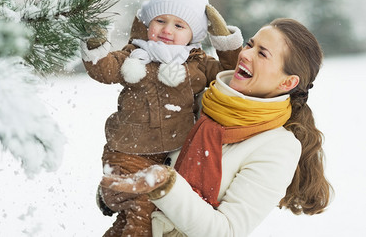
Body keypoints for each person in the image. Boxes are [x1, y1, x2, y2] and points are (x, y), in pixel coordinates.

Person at [100, 18, 333, 237]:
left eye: (262, 53)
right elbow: (152, 151)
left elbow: (226, 230)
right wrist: (123, 188)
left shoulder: (278, 147)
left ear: (287, 82)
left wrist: (164, 185)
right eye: (250, 44)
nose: (246, 54)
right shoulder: (201, 100)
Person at [80, 0, 243, 236]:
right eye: (160, 20)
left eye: (179, 25)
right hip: (127, 154)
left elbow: (232, 75)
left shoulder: (197, 64)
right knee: (143, 211)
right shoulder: (135, 56)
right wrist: (94, 43)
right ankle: (112, 190)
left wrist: (224, 40)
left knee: (135, 221)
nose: (167, 29)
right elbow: (105, 69)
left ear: (194, 34)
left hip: (171, 159)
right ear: (148, 23)